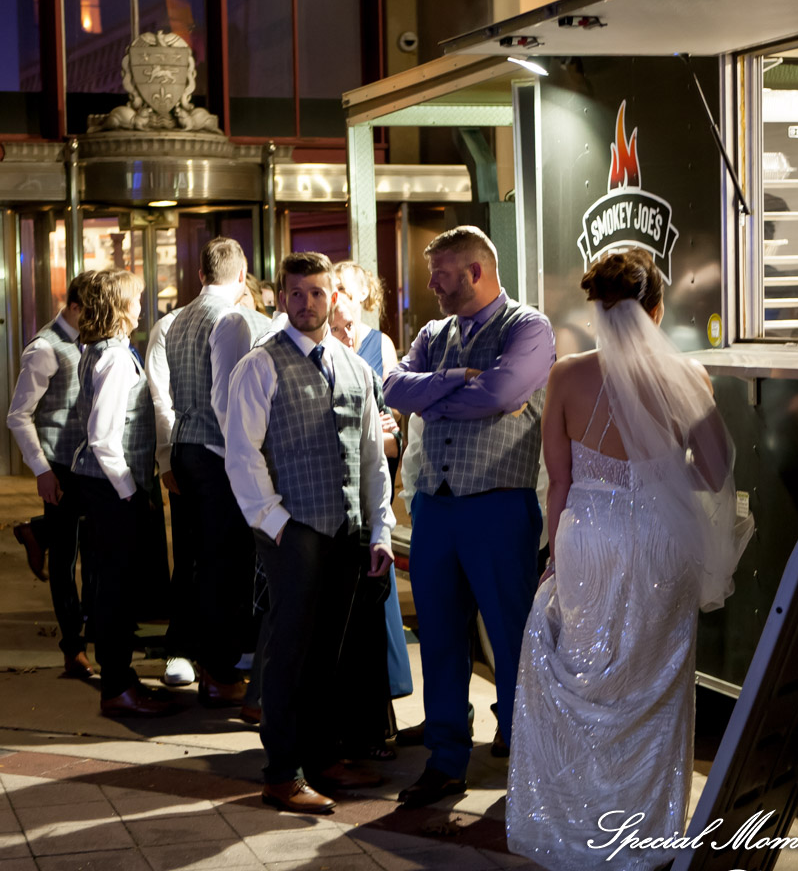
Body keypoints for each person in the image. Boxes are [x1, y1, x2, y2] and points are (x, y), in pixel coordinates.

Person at [506, 249, 750, 871]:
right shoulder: (689, 378)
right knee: (657, 683)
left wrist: (556, 559)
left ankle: (585, 821)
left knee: (589, 674)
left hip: (590, 537)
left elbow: (558, 484)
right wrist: (663, 481)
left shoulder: (566, 376)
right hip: (662, 545)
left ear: (597, 308)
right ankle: (648, 834)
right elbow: (719, 473)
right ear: (657, 308)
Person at [383, 225, 556, 808]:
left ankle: (525, 759)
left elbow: (501, 395)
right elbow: (393, 388)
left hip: (500, 505)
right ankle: (446, 758)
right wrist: (457, 379)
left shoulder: (528, 327)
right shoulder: (434, 334)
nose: (431, 283)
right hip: (435, 505)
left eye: (442, 273)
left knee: (511, 638)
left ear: (476, 272)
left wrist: (436, 396)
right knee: (438, 639)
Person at [223, 252, 396, 814]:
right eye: (296, 294)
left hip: (346, 531)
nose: (307, 304)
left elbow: (372, 457)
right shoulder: (259, 365)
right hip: (290, 530)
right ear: (280, 298)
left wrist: (379, 529)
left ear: (334, 299)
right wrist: (273, 523)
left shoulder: (354, 366)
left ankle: (323, 758)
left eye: (317, 293)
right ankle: (281, 772)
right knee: (291, 655)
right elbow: (241, 455)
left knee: (330, 654)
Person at [165, 237, 274, 706]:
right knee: (225, 567)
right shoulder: (228, 320)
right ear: (241, 270)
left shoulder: (179, 319)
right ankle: (219, 670)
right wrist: (244, 458)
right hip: (214, 451)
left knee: (202, 561)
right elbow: (225, 397)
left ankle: (209, 663)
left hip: (185, 447)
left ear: (202, 272)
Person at [68, 269, 178, 717]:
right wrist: (131, 493)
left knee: (114, 588)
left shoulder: (104, 351)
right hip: (112, 489)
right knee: (115, 591)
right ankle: (117, 686)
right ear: (118, 307)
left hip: (105, 488)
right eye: (136, 297)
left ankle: (122, 680)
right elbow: (102, 437)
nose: (142, 304)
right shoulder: (113, 358)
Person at [329, 262, 412, 758]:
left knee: (375, 604)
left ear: (363, 296)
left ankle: (380, 718)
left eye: (344, 287)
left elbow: (391, 422)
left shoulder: (378, 345)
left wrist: (390, 429)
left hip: (371, 482)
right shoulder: (321, 343)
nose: (336, 295)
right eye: (332, 286)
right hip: (336, 489)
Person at [4, 275, 94, 679]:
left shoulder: (90, 340)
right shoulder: (44, 349)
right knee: (65, 558)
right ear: (75, 307)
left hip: (90, 462)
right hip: (59, 463)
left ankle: (36, 531)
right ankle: (72, 649)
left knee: (78, 539)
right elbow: (18, 415)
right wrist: (41, 469)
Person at [143, 297, 198, 689]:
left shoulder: (253, 323)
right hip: (191, 456)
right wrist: (166, 458)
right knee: (190, 554)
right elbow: (160, 397)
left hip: (245, 461)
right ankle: (182, 646)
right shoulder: (170, 328)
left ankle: (229, 649)